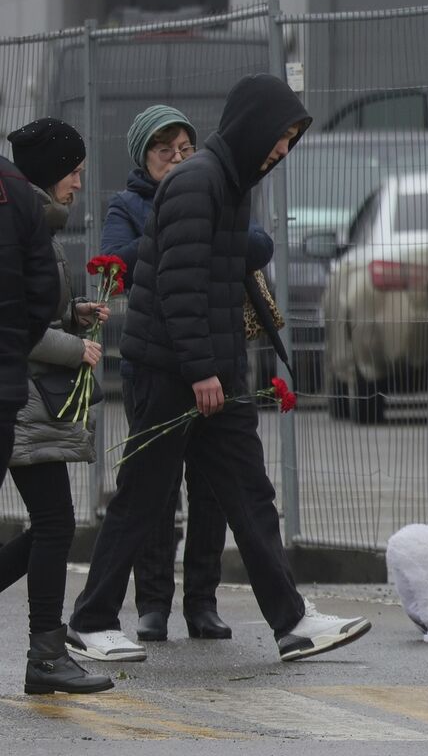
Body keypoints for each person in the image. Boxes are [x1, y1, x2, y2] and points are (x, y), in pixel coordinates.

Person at [68, 74, 370, 663]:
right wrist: (204, 370)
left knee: (251, 495)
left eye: (291, 139)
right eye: (280, 136)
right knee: (143, 497)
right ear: (253, 127)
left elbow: (219, 280)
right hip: (174, 372)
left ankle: (294, 622)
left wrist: (222, 371)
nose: (283, 150)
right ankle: (91, 618)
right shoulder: (197, 182)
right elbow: (179, 286)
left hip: (214, 373)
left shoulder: (228, 184)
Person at [101, 105, 274, 643]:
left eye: (184, 149)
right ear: (142, 157)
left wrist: (201, 233)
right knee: (154, 489)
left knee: (213, 488)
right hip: (154, 364)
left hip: (216, 363)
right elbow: (112, 264)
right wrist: (171, 227)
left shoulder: (220, 190)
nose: (176, 159)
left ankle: (203, 601)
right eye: (163, 150)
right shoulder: (127, 205)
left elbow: (259, 243)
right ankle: (152, 603)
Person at [0, 119, 113, 693]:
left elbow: (35, 308)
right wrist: (76, 348)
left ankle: (46, 652)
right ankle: (45, 656)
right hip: (21, 401)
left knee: (51, 522)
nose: (79, 181)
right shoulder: (23, 220)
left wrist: (75, 314)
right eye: (73, 171)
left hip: (26, 398)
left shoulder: (36, 222)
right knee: (54, 522)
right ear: (49, 174)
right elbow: (14, 323)